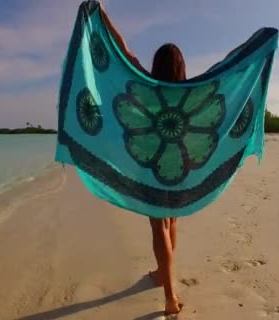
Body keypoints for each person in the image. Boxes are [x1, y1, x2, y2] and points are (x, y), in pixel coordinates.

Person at [100, 7, 184, 315]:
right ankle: (162, 274)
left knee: (157, 226)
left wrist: (103, 14)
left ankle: (170, 294)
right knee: (172, 221)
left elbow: (122, 48)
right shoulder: (189, 92)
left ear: (156, 65)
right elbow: (227, 68)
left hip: (151, 163)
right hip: (181, 164)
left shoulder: (146, 83)